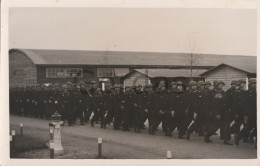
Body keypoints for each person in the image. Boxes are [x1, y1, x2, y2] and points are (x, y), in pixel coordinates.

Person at [204, 80, 233, 145]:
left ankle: (227, 140)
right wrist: (217, 114)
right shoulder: (213, 93)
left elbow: (226, 102)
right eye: (219, 84)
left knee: (226, 126)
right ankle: (207, 136)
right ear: (216, 85)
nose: (221, 85)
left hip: (224, 112)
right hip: (217, 112)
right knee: (215, 127)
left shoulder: (223, 92)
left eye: (222, 84)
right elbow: (213, 105)